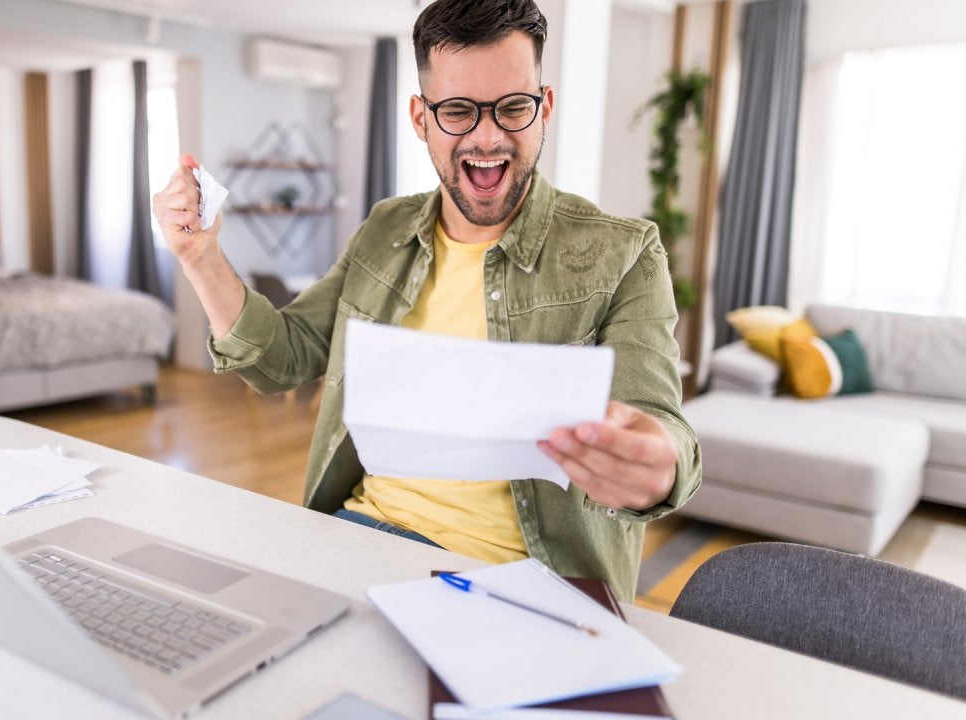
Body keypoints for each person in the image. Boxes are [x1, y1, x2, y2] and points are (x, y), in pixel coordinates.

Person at [152, 0, 700, 602]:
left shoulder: (623, 252)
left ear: (544, 108)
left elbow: (660, 424)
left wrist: (657, 465)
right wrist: (200, 257)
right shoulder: (385, 229)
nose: (487, 137)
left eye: (513, 107)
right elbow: (281, 357)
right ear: (421, 118)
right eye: (459, 111)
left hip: (518, 581)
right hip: (355, 539)